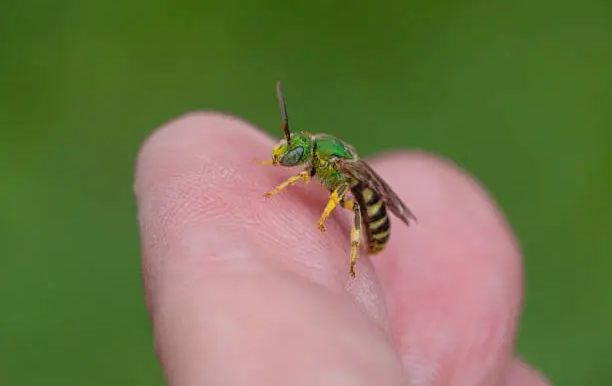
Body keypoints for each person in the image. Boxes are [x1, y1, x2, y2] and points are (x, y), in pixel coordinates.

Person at [134, 113, 550, 385]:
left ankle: (355, 257)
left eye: (291, 154)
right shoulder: (315, 154)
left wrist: (298, 200)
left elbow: (339, 194)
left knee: (359, 208)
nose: (286, 156)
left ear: (314, 158)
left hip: (369, 210)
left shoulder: (332, 166)